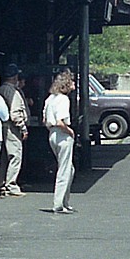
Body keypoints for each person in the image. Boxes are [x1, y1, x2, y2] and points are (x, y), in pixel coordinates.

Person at [43, 71, 77, 214]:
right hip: (62, 134)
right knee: (64, 169)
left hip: (52, 134)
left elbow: (45, 120)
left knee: (70, 169)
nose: (74, 85)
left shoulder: (50, 99)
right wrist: (70, 131)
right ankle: (58, 204)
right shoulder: (63, 99)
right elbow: (60, 121)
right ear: (67, 84)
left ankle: (65, 201)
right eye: (73, 82)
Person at [0, 64, 28, 197]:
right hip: (12, 127)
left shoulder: (0, 89)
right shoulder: (13, 92)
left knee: (3, 156)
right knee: (15, 155)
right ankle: (11, 185)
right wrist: (23, 127)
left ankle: (1, 183)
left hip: (1, 126)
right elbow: (15, 113)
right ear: (15, 76)